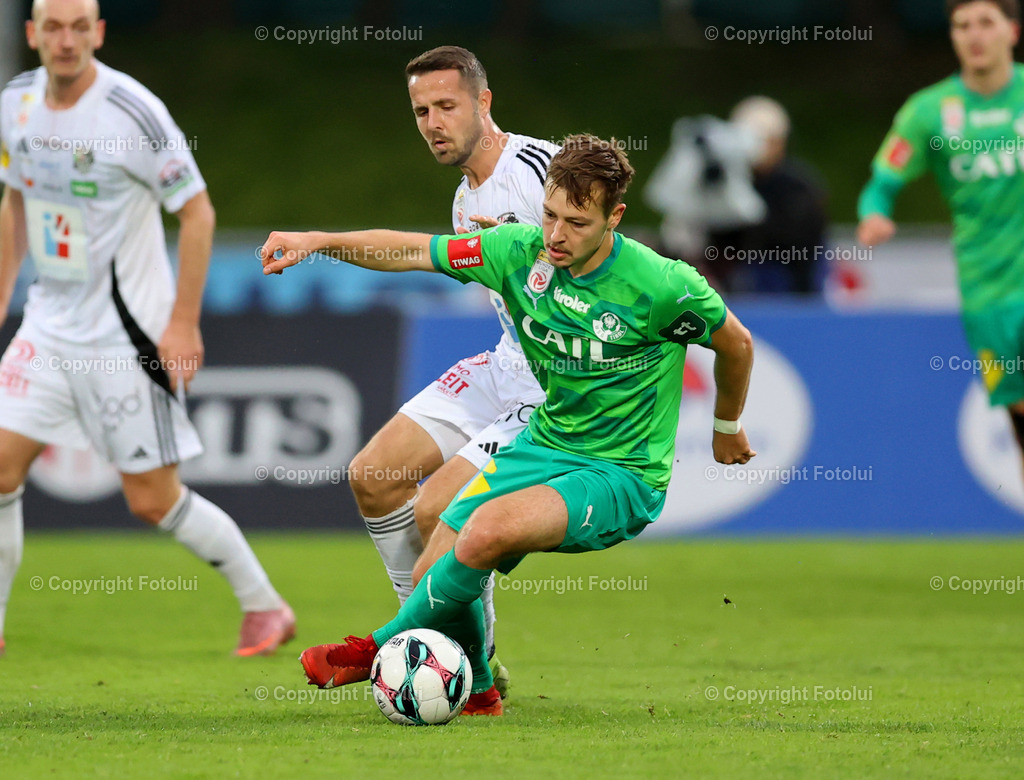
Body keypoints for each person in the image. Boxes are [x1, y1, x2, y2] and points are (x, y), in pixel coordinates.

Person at [261, 134, 756, 716]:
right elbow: (413, 251)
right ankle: (479, 691)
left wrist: (726, 425)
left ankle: (374, 649)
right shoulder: (517, 252)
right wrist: (319, 241)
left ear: (615, 217)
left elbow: (736, 344)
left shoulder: (662, 285)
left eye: (577, 222)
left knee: (484, 531)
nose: (556, 235)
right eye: (549, 215)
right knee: (434, 566)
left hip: (621, 471)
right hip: (546, 442)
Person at [0, 0, 294, 657]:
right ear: (32, 33)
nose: (67, 40)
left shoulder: (132, 112)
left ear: (99, 33)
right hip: (47, 327)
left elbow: (197, 213)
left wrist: (183, 323)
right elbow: (16, 200)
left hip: (125, 339)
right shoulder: (14, 102)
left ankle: (265, 605)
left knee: (152, 500)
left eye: (80, 27)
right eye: (54, 27)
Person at [346, 45, 556, 697]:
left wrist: (536, 257)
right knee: (374, 477)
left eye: (447, 106)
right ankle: (438, 643)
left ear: (483, 102)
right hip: (507, 364)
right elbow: (426, 256)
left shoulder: (542, 170)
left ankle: (468, 666)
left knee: (440, 509)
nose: (434, 123)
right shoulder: (465, 199)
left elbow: (615, 264)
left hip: (556, 387)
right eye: (421, 112)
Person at [857, 0, 1024, 475]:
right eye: (961, 25)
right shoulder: (929, 112)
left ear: (1012, 31)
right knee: (1018, 413)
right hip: (986, 287)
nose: (974, 35)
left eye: (986, 23)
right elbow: (881, 184)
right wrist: (874, 216)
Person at [709, 96, 828, 295]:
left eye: (769, 142)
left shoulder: (798, 187)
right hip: (734, 290)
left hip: (790, 287)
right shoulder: (723, 182)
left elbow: (801, 249)